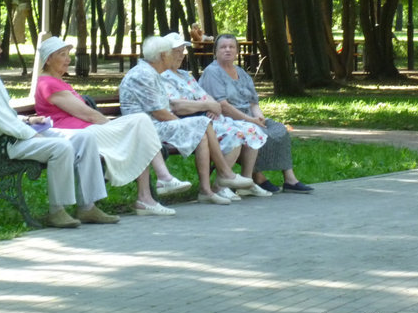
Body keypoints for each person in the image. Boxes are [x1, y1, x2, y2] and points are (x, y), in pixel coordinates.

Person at [0, 26, 119, 229]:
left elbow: (3, 116)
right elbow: (2, 124)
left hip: (14, 134)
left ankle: (88, 207)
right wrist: (35, 136)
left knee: (85, 138)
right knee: (61, 147)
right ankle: (56, 211)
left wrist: (28, 121)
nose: (1, 52)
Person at [34, 36, 184, 216]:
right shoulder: (48, 83)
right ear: (48, 59)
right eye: (62, 55)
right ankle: (160, 182)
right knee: (140, 124)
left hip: (87, 131)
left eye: (68, 54)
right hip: (78, 135)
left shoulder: (57, 81)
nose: (68, 59)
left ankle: (149, 195)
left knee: (140, 127)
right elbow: (87, 114)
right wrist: (112, 126)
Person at [119, 35, 254, 205]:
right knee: (201, 125)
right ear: (162, 55)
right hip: (146, 128)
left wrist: (187, 123)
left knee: (201, 129)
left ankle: (207, 190)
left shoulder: (152, 73)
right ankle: (225, 174)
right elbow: (160, 113)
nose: (178, 55)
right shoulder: (144, 75)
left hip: (154, 124)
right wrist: (183, 124)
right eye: (171, 52)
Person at [160, 32, 271, 201]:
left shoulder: (184, 75)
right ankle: (221, 185)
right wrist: (207, 105)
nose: (181, 55)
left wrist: (213, 105)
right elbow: (177, 106)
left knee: (250, 128)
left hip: (206, 117)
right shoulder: (163, 77)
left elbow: (206, 96)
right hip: (188, 122)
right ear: (165, 54)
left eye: (182, 51)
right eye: (176, 51)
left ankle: (246, 183)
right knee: (234, 133)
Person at [199, 33, 314, 194]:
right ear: (215, 51)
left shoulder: (241, 72)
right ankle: (255, 178)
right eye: (223, 47)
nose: (227, 50)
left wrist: (258, 116)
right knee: (255, 131)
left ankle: (289, 178)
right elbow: (223, 106)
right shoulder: (212, 72)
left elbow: (253, 101)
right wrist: (251, 120)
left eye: (231, 47)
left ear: (237, 51)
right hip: (226, 119)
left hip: (248, 117)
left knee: (279, 130)